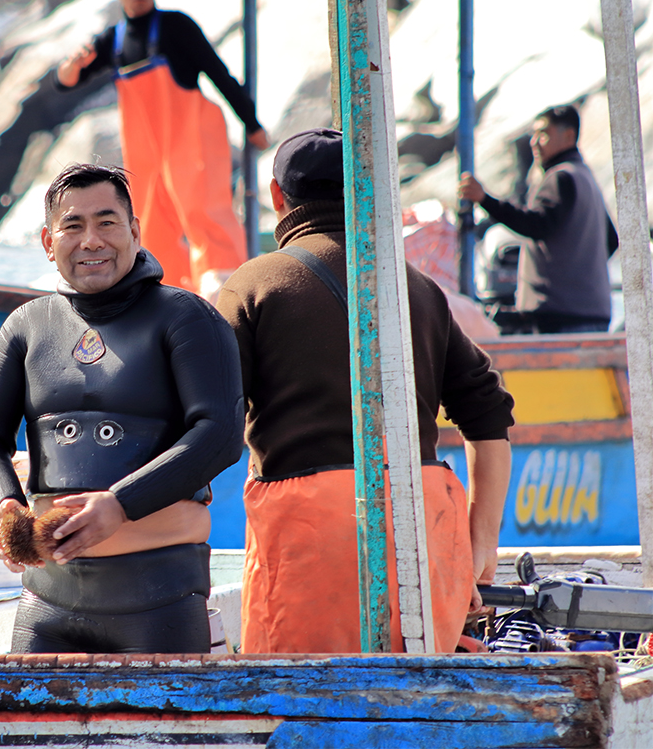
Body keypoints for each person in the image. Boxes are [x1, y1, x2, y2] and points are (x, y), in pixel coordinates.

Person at [216, 129, 515, 653]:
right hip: (422, 529)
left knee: (303, 705)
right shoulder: (415, 286)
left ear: (276, 197)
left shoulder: (252, 284)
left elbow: (208, 418)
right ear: (365, 193)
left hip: (308, 537)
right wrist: (480, 541)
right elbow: (488, 413)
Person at [0, 162, 244, 653]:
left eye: (107, 222)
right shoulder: (27, 325)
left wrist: (120, 505)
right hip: (47, 603)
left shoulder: (185, 317)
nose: (91, 240)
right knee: (36, 733)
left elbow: (218, 432)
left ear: (134, 230)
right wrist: (7, 507)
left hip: (160, 600)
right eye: (73, 226)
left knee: (158, 734)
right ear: (48, 243)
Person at [55, 0, 269, 295]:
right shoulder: (114, 40)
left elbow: (218, 73)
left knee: (204, 211)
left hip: (192, 137)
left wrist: (252, 124)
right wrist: (69, 67)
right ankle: (167, 290)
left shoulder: (176, 26)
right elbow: (67, 81)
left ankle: (227, 288)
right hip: (147, 151)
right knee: (149, 218)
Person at [458, 104, 617, 333]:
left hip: (561, 317)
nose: (534, 142)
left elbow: (535, 224)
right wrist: (580, 275)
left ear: (569, 135)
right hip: (594, 313)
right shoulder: (584, 177)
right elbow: (611, 240)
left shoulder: (559, 178)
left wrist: (484, 199)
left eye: (543, 134)